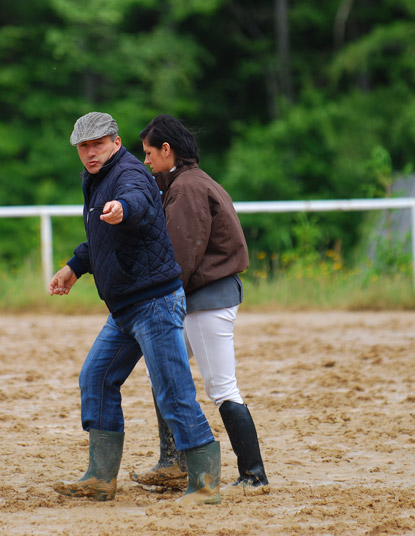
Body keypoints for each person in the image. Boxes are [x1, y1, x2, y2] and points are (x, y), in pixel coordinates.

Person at [48, 111, 221, 504]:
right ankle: (100, 477)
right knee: (96, 377)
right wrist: (75, 267)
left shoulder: (129, 174)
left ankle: (206, 485)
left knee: (174, 393)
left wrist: (124, 209)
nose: (90, 153)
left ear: (115, 141)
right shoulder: (95, 180)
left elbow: (139, 201)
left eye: (97, 144)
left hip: (154, 302)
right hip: (126, 307)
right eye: (83, 146)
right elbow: (101, 240)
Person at [131, 114, 269, 495]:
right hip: (204, 297)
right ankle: (173, 463)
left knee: (222, 388)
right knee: (163, 371)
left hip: (207, 301)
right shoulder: (189, 180)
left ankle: (254, 474)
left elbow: (182, 255)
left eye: (148, 153)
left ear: (166, 150)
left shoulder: (188, 188)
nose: (145, 161)